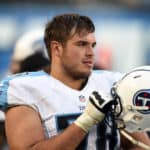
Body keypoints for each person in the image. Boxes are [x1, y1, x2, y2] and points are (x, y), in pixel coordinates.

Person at [0, 13, 149, 150]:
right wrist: (85, 121)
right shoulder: (25, 89)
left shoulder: (111, 84)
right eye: (81, 44)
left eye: (93, 45)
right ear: (57, 48)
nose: (91, 53)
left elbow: (139, 145)